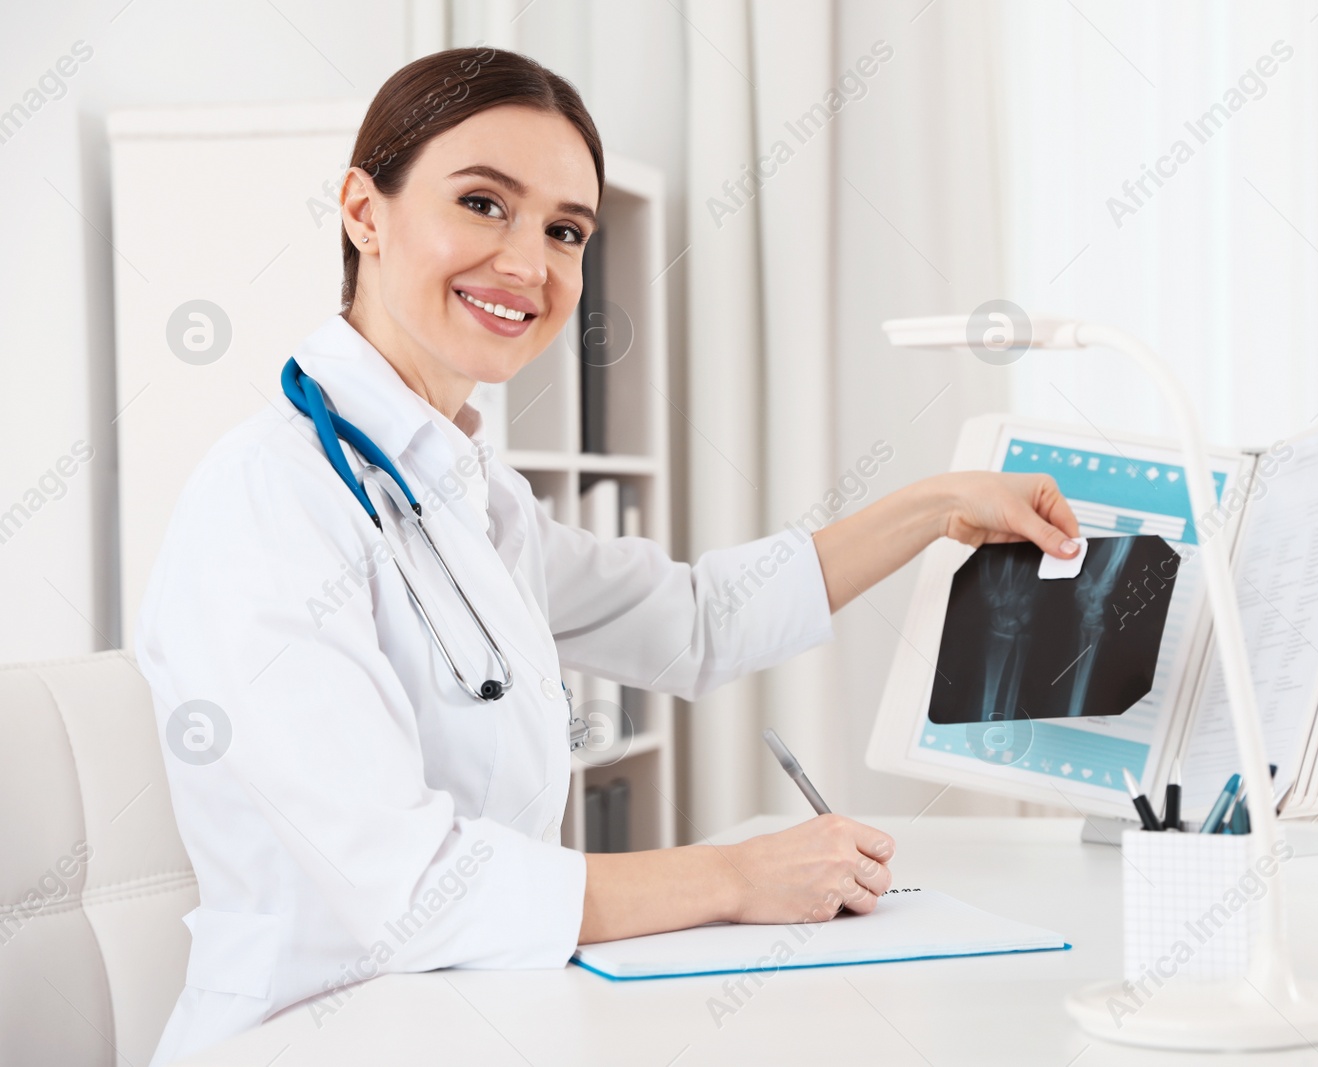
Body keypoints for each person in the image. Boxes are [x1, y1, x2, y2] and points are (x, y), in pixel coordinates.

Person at [138, 46, 1081, 1064]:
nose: (528, 266)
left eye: (564, 230)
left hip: (471, 1017)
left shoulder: (467, 493)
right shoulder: (268, 499)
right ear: (364, 212)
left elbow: (694, 620)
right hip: (310, 1039)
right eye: (483, 203)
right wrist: (731, 877)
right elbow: (407, 889)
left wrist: (938, 505)